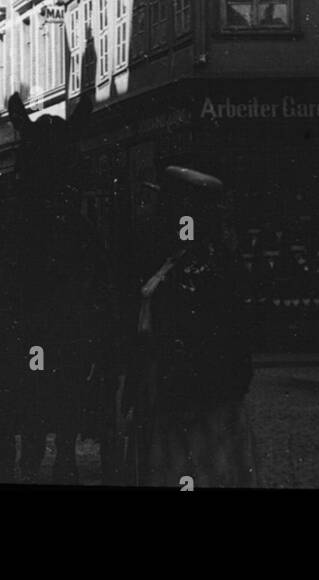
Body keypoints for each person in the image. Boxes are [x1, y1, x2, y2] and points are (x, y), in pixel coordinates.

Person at [125, 166, 256, 487]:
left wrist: (183, 396)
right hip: (173, 393)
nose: (151, 211)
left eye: (160, 204)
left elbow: (205, 338)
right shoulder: (180, 259)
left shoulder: (202, 266)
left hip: (193, 402)